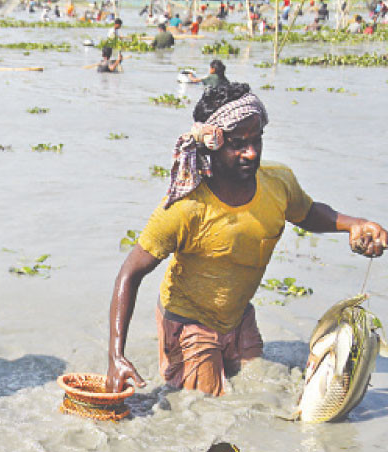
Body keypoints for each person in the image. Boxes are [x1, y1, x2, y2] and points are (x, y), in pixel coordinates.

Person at [106, 83, 386, 396]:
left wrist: (354, 224)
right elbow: (129, 274)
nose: (251, 153)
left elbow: (306, 213)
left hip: (238, 317)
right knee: (204, 407)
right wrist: (115, 356)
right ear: (212, 145)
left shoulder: (278, 182)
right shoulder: (185, 208)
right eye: (238, 144)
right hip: (189, 322)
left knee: (263, 390)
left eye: (256, 140)